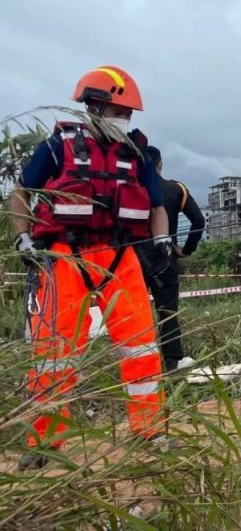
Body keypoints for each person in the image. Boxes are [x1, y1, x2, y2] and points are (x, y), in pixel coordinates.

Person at [9, 66, 171, 470]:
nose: (126, 121)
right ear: (95, 107)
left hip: (122, 256)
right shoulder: (58, 147)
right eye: (121, 112)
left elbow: (156, 206)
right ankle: (45, 442)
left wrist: (162, 241)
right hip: (67, 255)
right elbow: (21, 192)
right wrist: (23, 236)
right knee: (54, 354)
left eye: (130, 115)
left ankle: (150, 431)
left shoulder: (136, 154)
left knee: (141, 347)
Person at [139, 146, 206, 373]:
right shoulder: (177, 189)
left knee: (135, 313)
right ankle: (172, 360)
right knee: (167, 310)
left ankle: (138, 361)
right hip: (165, 258)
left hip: (132, 260)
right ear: (160, 164)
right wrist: (185, 250)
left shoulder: (130, 188)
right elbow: (198, 222)